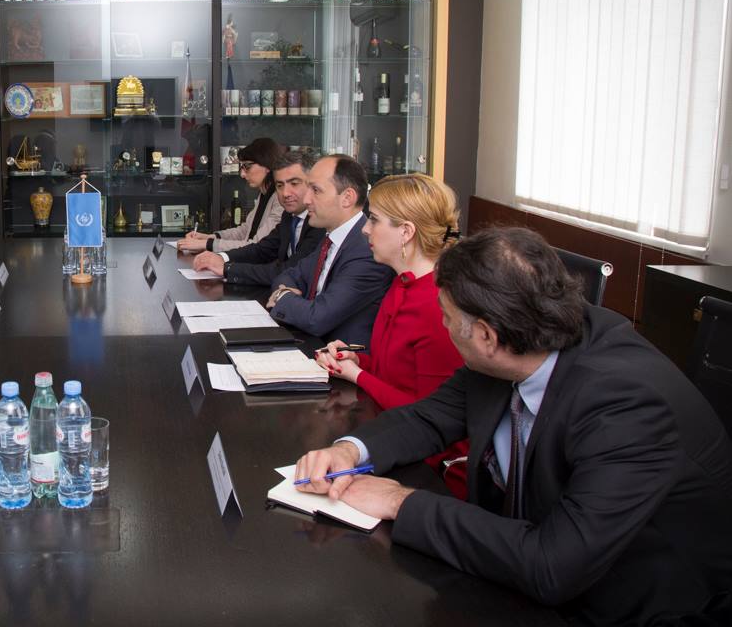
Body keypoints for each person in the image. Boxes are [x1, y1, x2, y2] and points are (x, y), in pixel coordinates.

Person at [294, 227, 732, 626]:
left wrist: (399, 501)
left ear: (486, 336)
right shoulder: (518, 339)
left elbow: (552, 567)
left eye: (446, 317)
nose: (442, 325)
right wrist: (349, 450)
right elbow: (429, 417)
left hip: (631, 606)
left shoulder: (626, 406)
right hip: (531, 568)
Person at [314, 173, 468, 498]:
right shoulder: (401, 283)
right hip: (389, 433)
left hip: (428, 472)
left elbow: (427, 416)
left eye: (374, 220)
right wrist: (359, 361)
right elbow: (396, 372)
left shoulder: (438, 306)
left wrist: (357, 375)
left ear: (406, 232)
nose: (365, 229)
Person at [266, 155, 392, 344]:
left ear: (347, 198)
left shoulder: (366, 250)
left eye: (316, 190)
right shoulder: (331, 238)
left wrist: (282, 296)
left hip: (340, 357)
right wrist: (287, 294)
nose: (306, 199)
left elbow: (317, 318)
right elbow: (289, 275)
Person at [191, 150, 325, 287]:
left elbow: (290, 270)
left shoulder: (320, 222)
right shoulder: (289, 215)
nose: (285, 193)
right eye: (280, 185)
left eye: (294, 184)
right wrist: (221, 257)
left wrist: (227, 269)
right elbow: (262, 250)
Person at [178, 137, 284, 254]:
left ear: (267, 165)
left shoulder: (280, 199)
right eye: (242, 167)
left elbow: (256, 245)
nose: (242, 174)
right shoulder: (264, 194)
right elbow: (245, 231)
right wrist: (209, 237)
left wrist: (207, 244)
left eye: (247, 166)